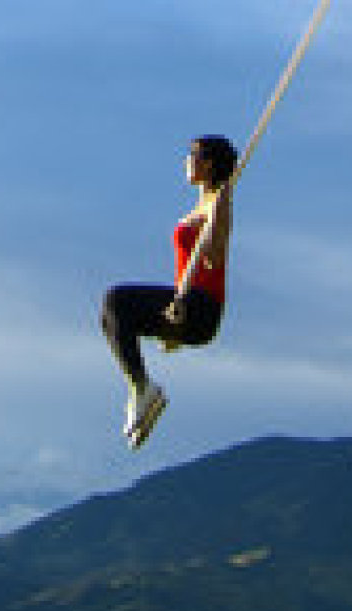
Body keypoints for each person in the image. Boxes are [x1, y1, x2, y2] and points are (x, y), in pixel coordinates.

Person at [100, 134, 237, 448]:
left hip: (202, 309)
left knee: (117, 299)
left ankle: (143, 389)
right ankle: (141, 391)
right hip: (187, 303)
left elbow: (214, 260)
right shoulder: (201, 205)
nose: (187, 161)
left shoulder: (220, 201)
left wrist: (220, 208)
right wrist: (170, 328)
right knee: (111, 316)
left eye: (194, 155)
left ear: (210, 163)